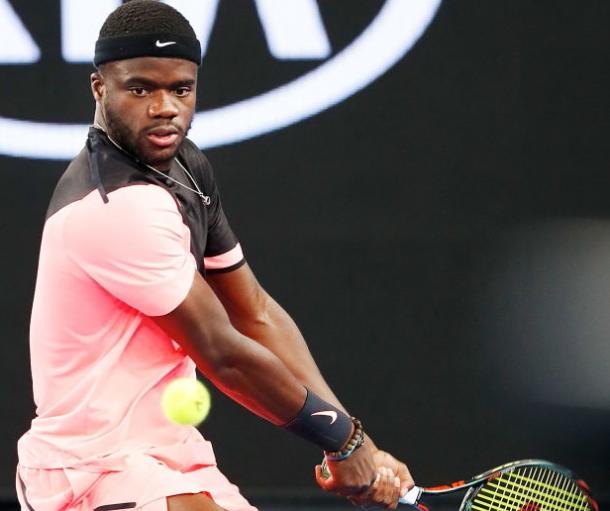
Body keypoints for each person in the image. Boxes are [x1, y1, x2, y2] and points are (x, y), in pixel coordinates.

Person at [16, 2, 414, 510]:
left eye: (180, 88)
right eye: (141, 89)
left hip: (172, 454)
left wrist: (358, 445)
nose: (165, 108)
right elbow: (223, 352)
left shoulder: (185, 168)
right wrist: (343, 441)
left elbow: (256, 313)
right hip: (94, 467)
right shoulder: (117, 207)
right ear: (100, 88)